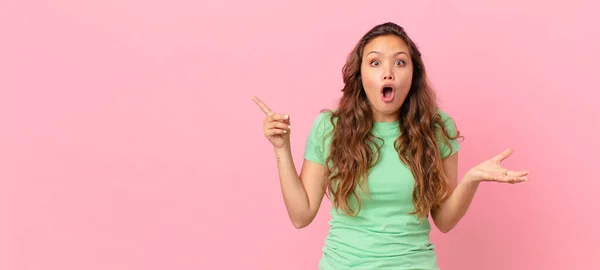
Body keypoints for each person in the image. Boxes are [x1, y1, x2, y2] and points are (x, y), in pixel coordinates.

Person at [252, 22, 529, 270]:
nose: (388, 73)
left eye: (399, 63)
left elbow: (444, 220)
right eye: (375, 63)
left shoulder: (436, 128)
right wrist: (281, 148)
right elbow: (301, 215)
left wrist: (471, 180)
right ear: (359, 75)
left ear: (413, 74)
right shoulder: (330, 127)